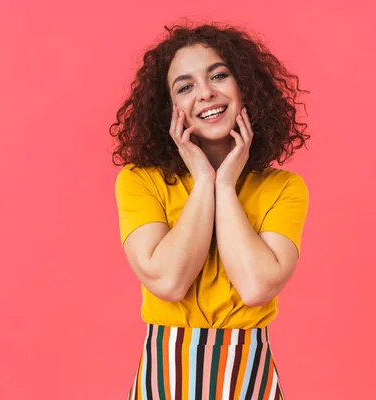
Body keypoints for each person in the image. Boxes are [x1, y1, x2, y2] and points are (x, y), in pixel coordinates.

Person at [110, 22, 310, 399]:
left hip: (250, 374)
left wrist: (224, 185)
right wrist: (203, 179)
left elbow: (256, 287)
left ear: (245, 88)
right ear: (168, 110)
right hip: (163, 375)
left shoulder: (283, 188)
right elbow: (169, 282)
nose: (205, 94)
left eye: (219, 75)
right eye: (185, 87)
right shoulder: (139, 181)